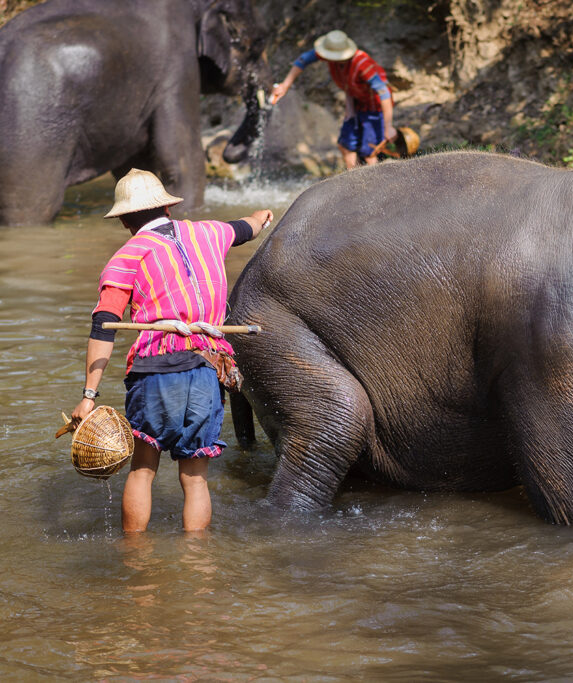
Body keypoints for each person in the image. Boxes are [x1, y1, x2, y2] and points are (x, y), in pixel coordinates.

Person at [70, 169, 273, 534]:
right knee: (195, 480)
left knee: (143, 471)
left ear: (124, 221)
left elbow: (104, 326)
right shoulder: (210, 232)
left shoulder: (126, 257)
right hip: (205, 366)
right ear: (167, 206)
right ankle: (196, 565)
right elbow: (247, 226)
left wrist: (88, 395)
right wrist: (262, 217)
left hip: (155, 370)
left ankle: (135, 562)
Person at [270, 29, 397, 170]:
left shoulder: (362, 63)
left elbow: (383, 92)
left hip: (375, 107)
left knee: (370, 152)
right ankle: (355, 183)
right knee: (345, 145)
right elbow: (303, 60)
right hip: (356, 103)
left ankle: (375, 186)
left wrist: (388, 126)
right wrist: (285, 85)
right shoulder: (332, 56)